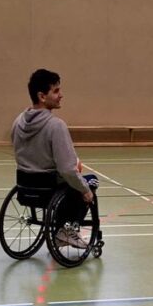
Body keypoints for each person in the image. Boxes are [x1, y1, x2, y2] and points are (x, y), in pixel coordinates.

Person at [11, 69, 94, 248]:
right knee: (90, 182)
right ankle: (66, 230)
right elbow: (67, 169)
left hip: (25, 188)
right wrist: (85, 190)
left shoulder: (18, 121)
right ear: (42, 96)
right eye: (56, 91)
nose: (61, 95)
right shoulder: (56, 126)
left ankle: (60, 224)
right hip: (49, 189)